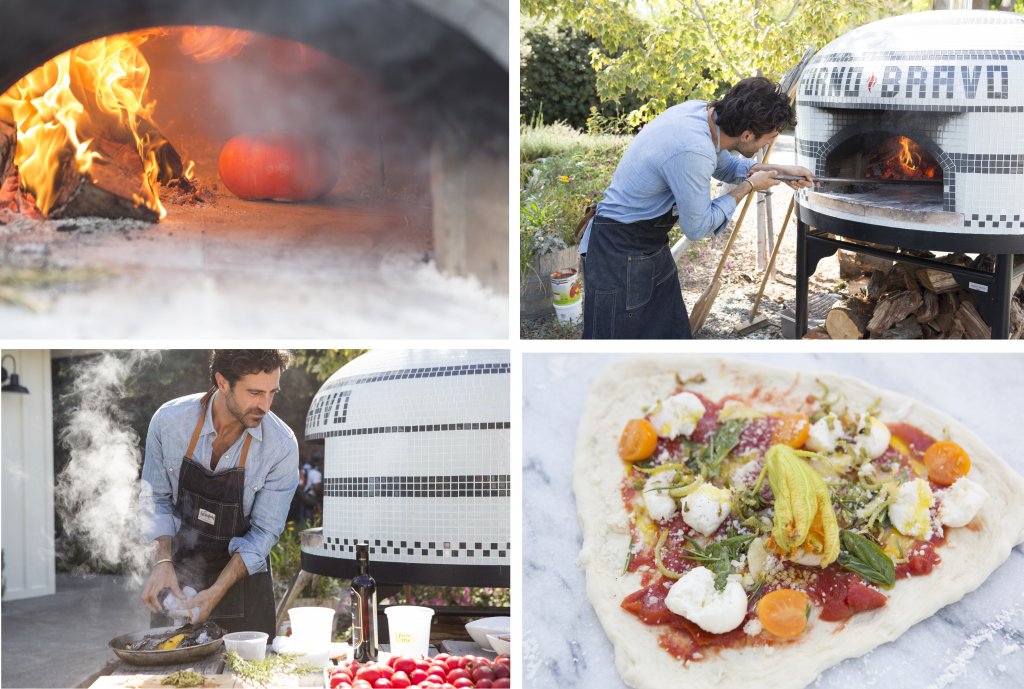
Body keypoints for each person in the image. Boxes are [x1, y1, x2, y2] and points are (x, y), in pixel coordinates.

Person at [580, 77, 815, 339]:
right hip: (618, 253)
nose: (767, 146)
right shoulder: (694, 148)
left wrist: (782, 172)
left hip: (646, 245)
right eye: (767, 140)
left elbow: (726, 167)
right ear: (747, 135)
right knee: (615, 348)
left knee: (670, 339)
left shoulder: (703, 114)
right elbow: (697, 227)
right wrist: (748, 187)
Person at [139, 349, 299, 637]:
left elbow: (264, 532)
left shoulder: (282, 446)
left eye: (271, 392)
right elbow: (155, 500)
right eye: (254, 393)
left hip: (243, 584)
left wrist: (216, 591)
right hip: (177, 577)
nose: (265, 405)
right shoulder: (169, 422)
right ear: (222, 382)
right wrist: (162, 561)